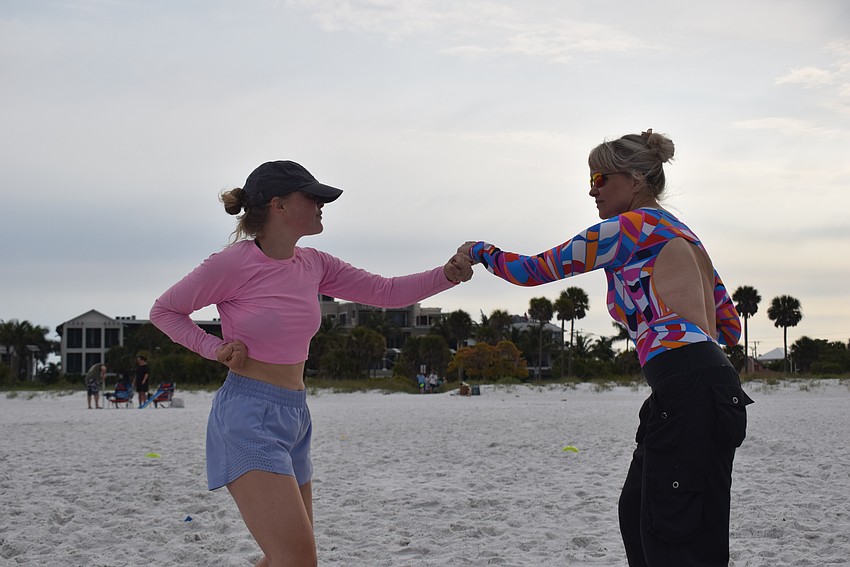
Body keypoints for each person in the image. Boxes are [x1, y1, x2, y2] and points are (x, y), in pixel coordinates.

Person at [149, 159, 473, 567]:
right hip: (247, 416)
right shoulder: (232, 263)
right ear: (278, 205)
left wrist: (445, 275)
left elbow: (386, 291)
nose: (323, 204)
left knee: (286, 558)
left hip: (295, 416)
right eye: (313, 196)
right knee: (297, 560)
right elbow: (165, 311)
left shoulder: (314, 263)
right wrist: (213, 347)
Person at [459, 130, 753, 567]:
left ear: (635, 180)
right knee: (639, 510)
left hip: (688, 388)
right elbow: (728, 326)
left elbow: (533, 270)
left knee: (671, 535)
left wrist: (479, 250)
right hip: (705, 386)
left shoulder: (629, 229)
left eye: (600, 177)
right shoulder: (687, 238)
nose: (591, 189)